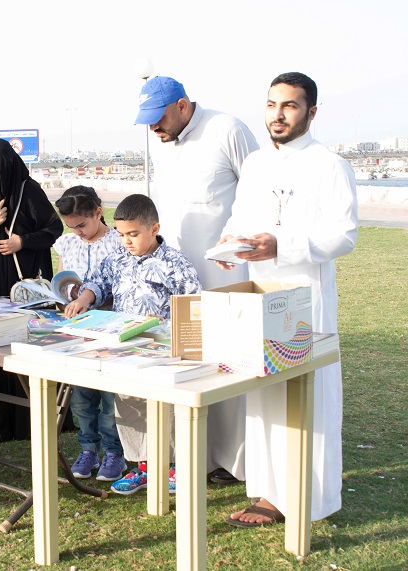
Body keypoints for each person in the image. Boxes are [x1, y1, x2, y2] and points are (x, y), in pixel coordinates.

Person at [219, 72, 357, 526]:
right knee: (264, 390)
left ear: (311, 112)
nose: (277, 115)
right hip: (261, 292)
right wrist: (229, 245)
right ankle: (268, 492)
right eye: (271, 104)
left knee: (307, 395)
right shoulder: (257, 163)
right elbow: (240, 216)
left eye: (290, 106)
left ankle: (308, 497)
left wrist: (282, 246)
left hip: (305, 297)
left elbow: (344, 235)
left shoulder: (329, 165)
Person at [129, 75, 260, 486]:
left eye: (159, 117)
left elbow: (259, 191)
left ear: (183, 105)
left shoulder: (227, 129)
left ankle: (234, 462)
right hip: (174, 279)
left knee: (229, 366)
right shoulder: (161, 143)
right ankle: (190, 456)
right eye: (148, 120)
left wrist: (239, 242)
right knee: (186, 365)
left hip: (226, 276)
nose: (153, 126)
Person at [64, 194, 201, 494]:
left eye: (133, 234)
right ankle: (144, 467)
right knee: (129, 407)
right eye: (121, 234)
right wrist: (84, 298)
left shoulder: (175, 263)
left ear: (154, 228)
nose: (126, 241)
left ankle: (176, 467)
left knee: (166, 410)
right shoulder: (117, 259)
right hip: (125, 350)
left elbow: (192, 305)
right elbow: (97, 282)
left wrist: (165, 322)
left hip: (162, 352)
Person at [0, 138, 63, 442]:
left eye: (1, 165)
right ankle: (1, 423)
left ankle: (35, 419)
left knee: (30, 346)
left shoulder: (28, 190)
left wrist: (23, 241)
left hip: (27, 286)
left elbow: (54, 228)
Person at [53, 186, 125, 481]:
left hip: (111, 329)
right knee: (81, 397)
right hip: (79, 332)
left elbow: (123, 286)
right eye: (71, 227)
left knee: (110, 398)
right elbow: (60, 282)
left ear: (98, 212)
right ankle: (88, 449)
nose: (78, 232)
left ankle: (114, 452)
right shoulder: (67, 243)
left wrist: (91, 297)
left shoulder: (119, 242)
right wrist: (66, 296)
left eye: (81, 225)